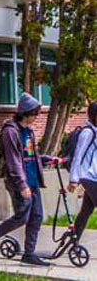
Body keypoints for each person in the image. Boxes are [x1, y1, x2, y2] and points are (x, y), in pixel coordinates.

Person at [0, 92, 49, 267]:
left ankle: (29, 253)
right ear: (25, 112)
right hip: (18, 182)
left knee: (37, 216)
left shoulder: (29, 131)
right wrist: (22, 184)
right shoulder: (10, 131)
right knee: (22, 217)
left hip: (32, 181)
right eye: (34, 114)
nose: (36, 117)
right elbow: (13, 160)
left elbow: (31, 155)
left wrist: (47, 159)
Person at [67, 101, 97, 241]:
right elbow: (78, 156)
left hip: (93, 176)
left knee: (86, 210)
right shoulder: (87, 132)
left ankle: (73, 239)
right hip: (87, 176)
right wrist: (73, 179)